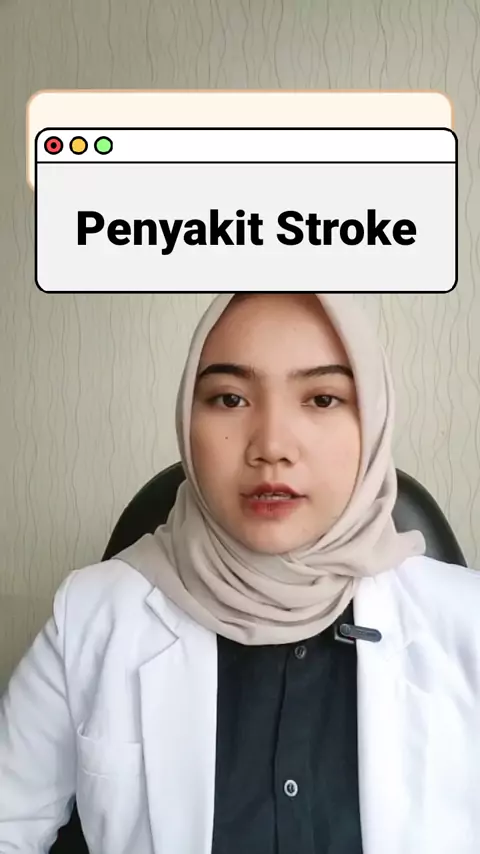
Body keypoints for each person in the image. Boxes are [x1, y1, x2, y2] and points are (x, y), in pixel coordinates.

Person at [0, 291, 479, 854]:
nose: (271, 446)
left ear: (373, 423)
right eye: (230, 398)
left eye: (323, 398)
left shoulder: (466, 620)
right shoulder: (87, 617)